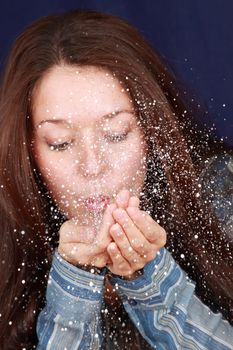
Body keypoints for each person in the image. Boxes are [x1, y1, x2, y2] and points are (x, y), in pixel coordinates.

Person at [0, 9, 232, 350]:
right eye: (60, 143)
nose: (92, 166)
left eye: (116, 134)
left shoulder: (220, 191)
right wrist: (74, 289)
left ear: (152, 131)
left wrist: (151, 284)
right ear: (27, 151)